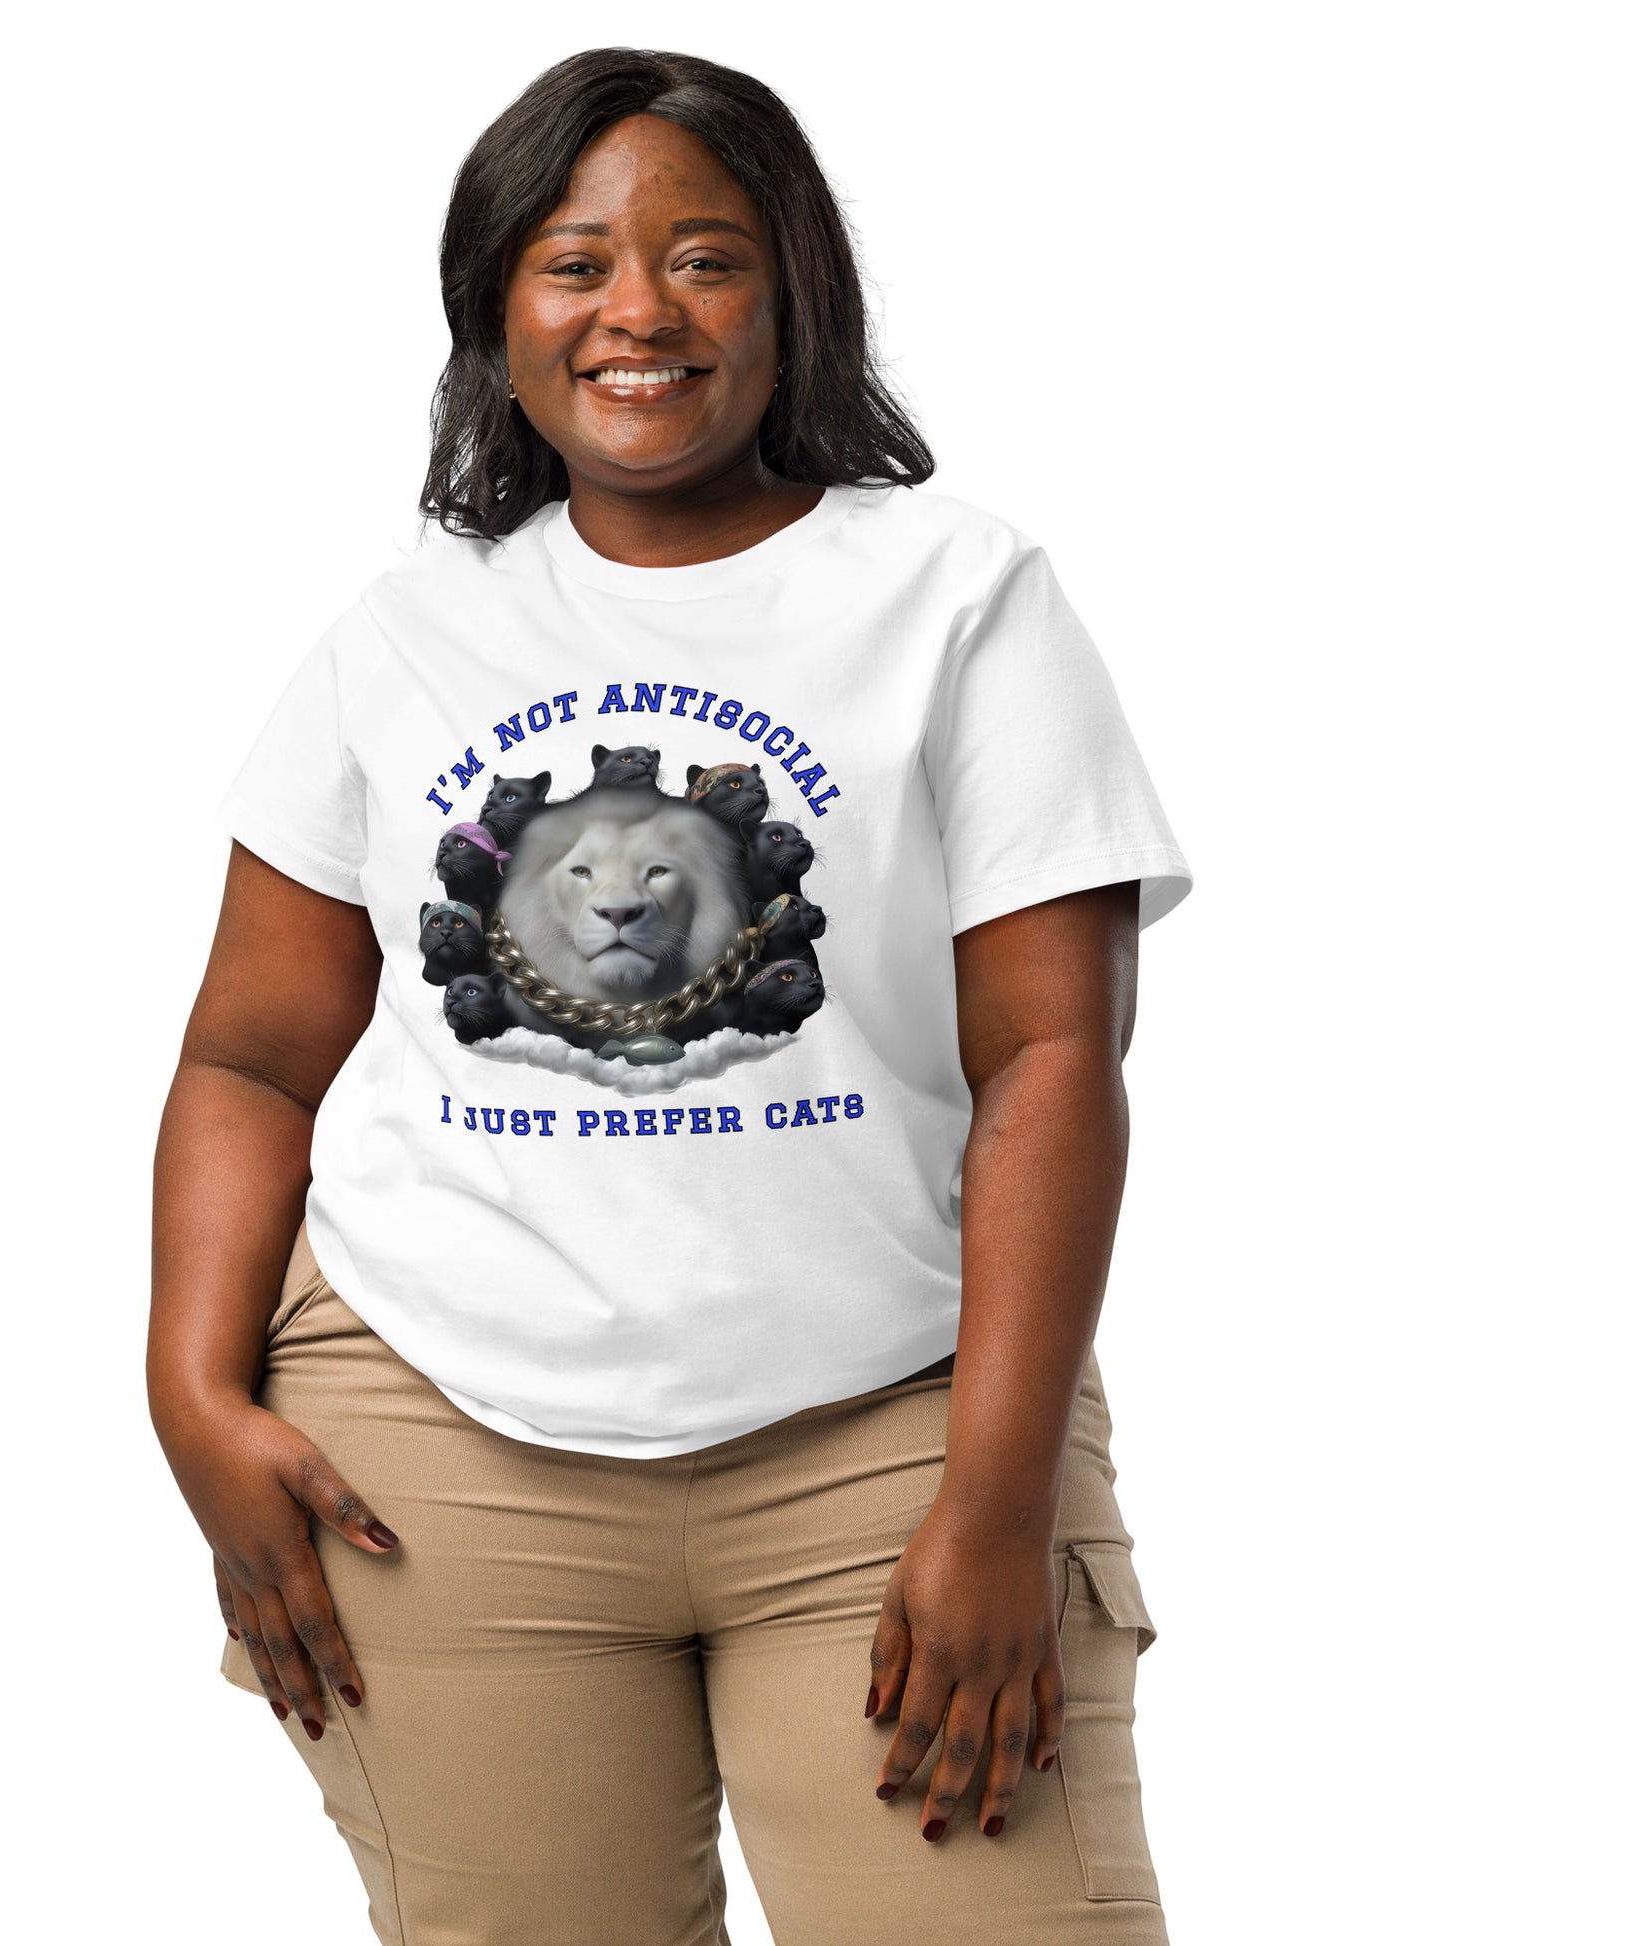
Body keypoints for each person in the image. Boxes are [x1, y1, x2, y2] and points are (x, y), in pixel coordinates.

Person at [149, 46, 1191, 1946]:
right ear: (495, 312)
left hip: (889, 1431)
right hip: (437, 1452)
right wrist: (186, 1386)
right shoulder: (407, 628)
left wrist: (995, 1497)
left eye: (704, 258)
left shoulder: (959, 599)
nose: (639, 311)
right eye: (573, 262)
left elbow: (1051, 1052)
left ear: (792, 294)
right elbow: (248, 1051)